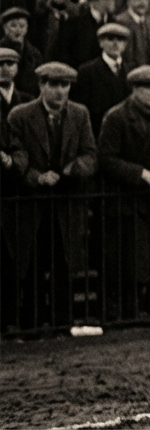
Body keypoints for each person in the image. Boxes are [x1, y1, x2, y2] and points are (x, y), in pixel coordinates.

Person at [4, 62, 98, 328]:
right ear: (41, 86)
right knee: (32, 265)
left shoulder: (80, 114)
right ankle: (32, 324)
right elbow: (16, 155)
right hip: (31, 206)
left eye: (64, 85)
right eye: (53, 85)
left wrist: (71, 169)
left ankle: (61, 323)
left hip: (66, 205)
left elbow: (91, 155)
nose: (59, 91)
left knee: (63, 265)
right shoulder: (20, 116)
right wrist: (36, 176)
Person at [96, 65, 150, 319]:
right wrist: (141, 174)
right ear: (135, 90)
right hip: (125, 202)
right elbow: (106, 159)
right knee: (126, 262)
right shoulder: (117, 116)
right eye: (149, 88)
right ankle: (124, 312)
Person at [71, 22, 132, 138]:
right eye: (110, 39)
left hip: (126, 134)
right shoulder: (87, 71)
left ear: (125, 45)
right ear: (101, 43)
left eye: (120, 40)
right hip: (98, 132)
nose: (115, 43)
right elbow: (82, 108)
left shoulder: (131, 70)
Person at [115, 0, 150, 69]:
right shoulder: (122, 21)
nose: (143, 3)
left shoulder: (148, 20)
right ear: (128, 2)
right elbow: (126, 55)